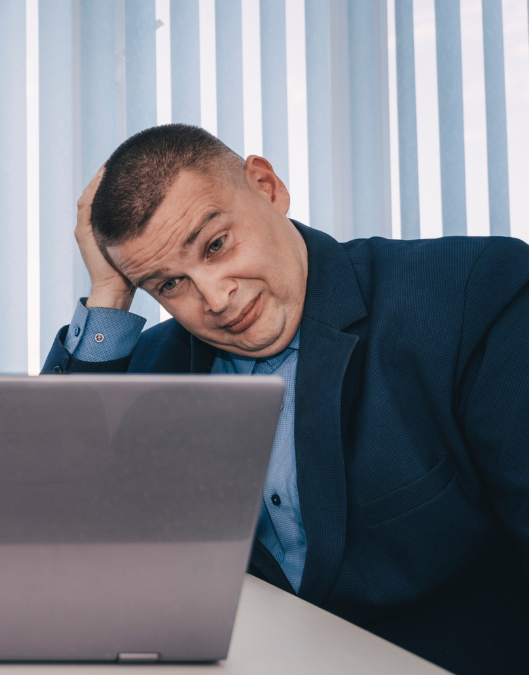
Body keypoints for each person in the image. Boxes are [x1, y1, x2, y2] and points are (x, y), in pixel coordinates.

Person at [43, 124, 529, 675]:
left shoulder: (469, 293)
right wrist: (110, 293)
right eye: (169, 285)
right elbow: (48, 531)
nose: (216, 297)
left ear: (266, 186)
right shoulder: (158, 367)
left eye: (216, 244)